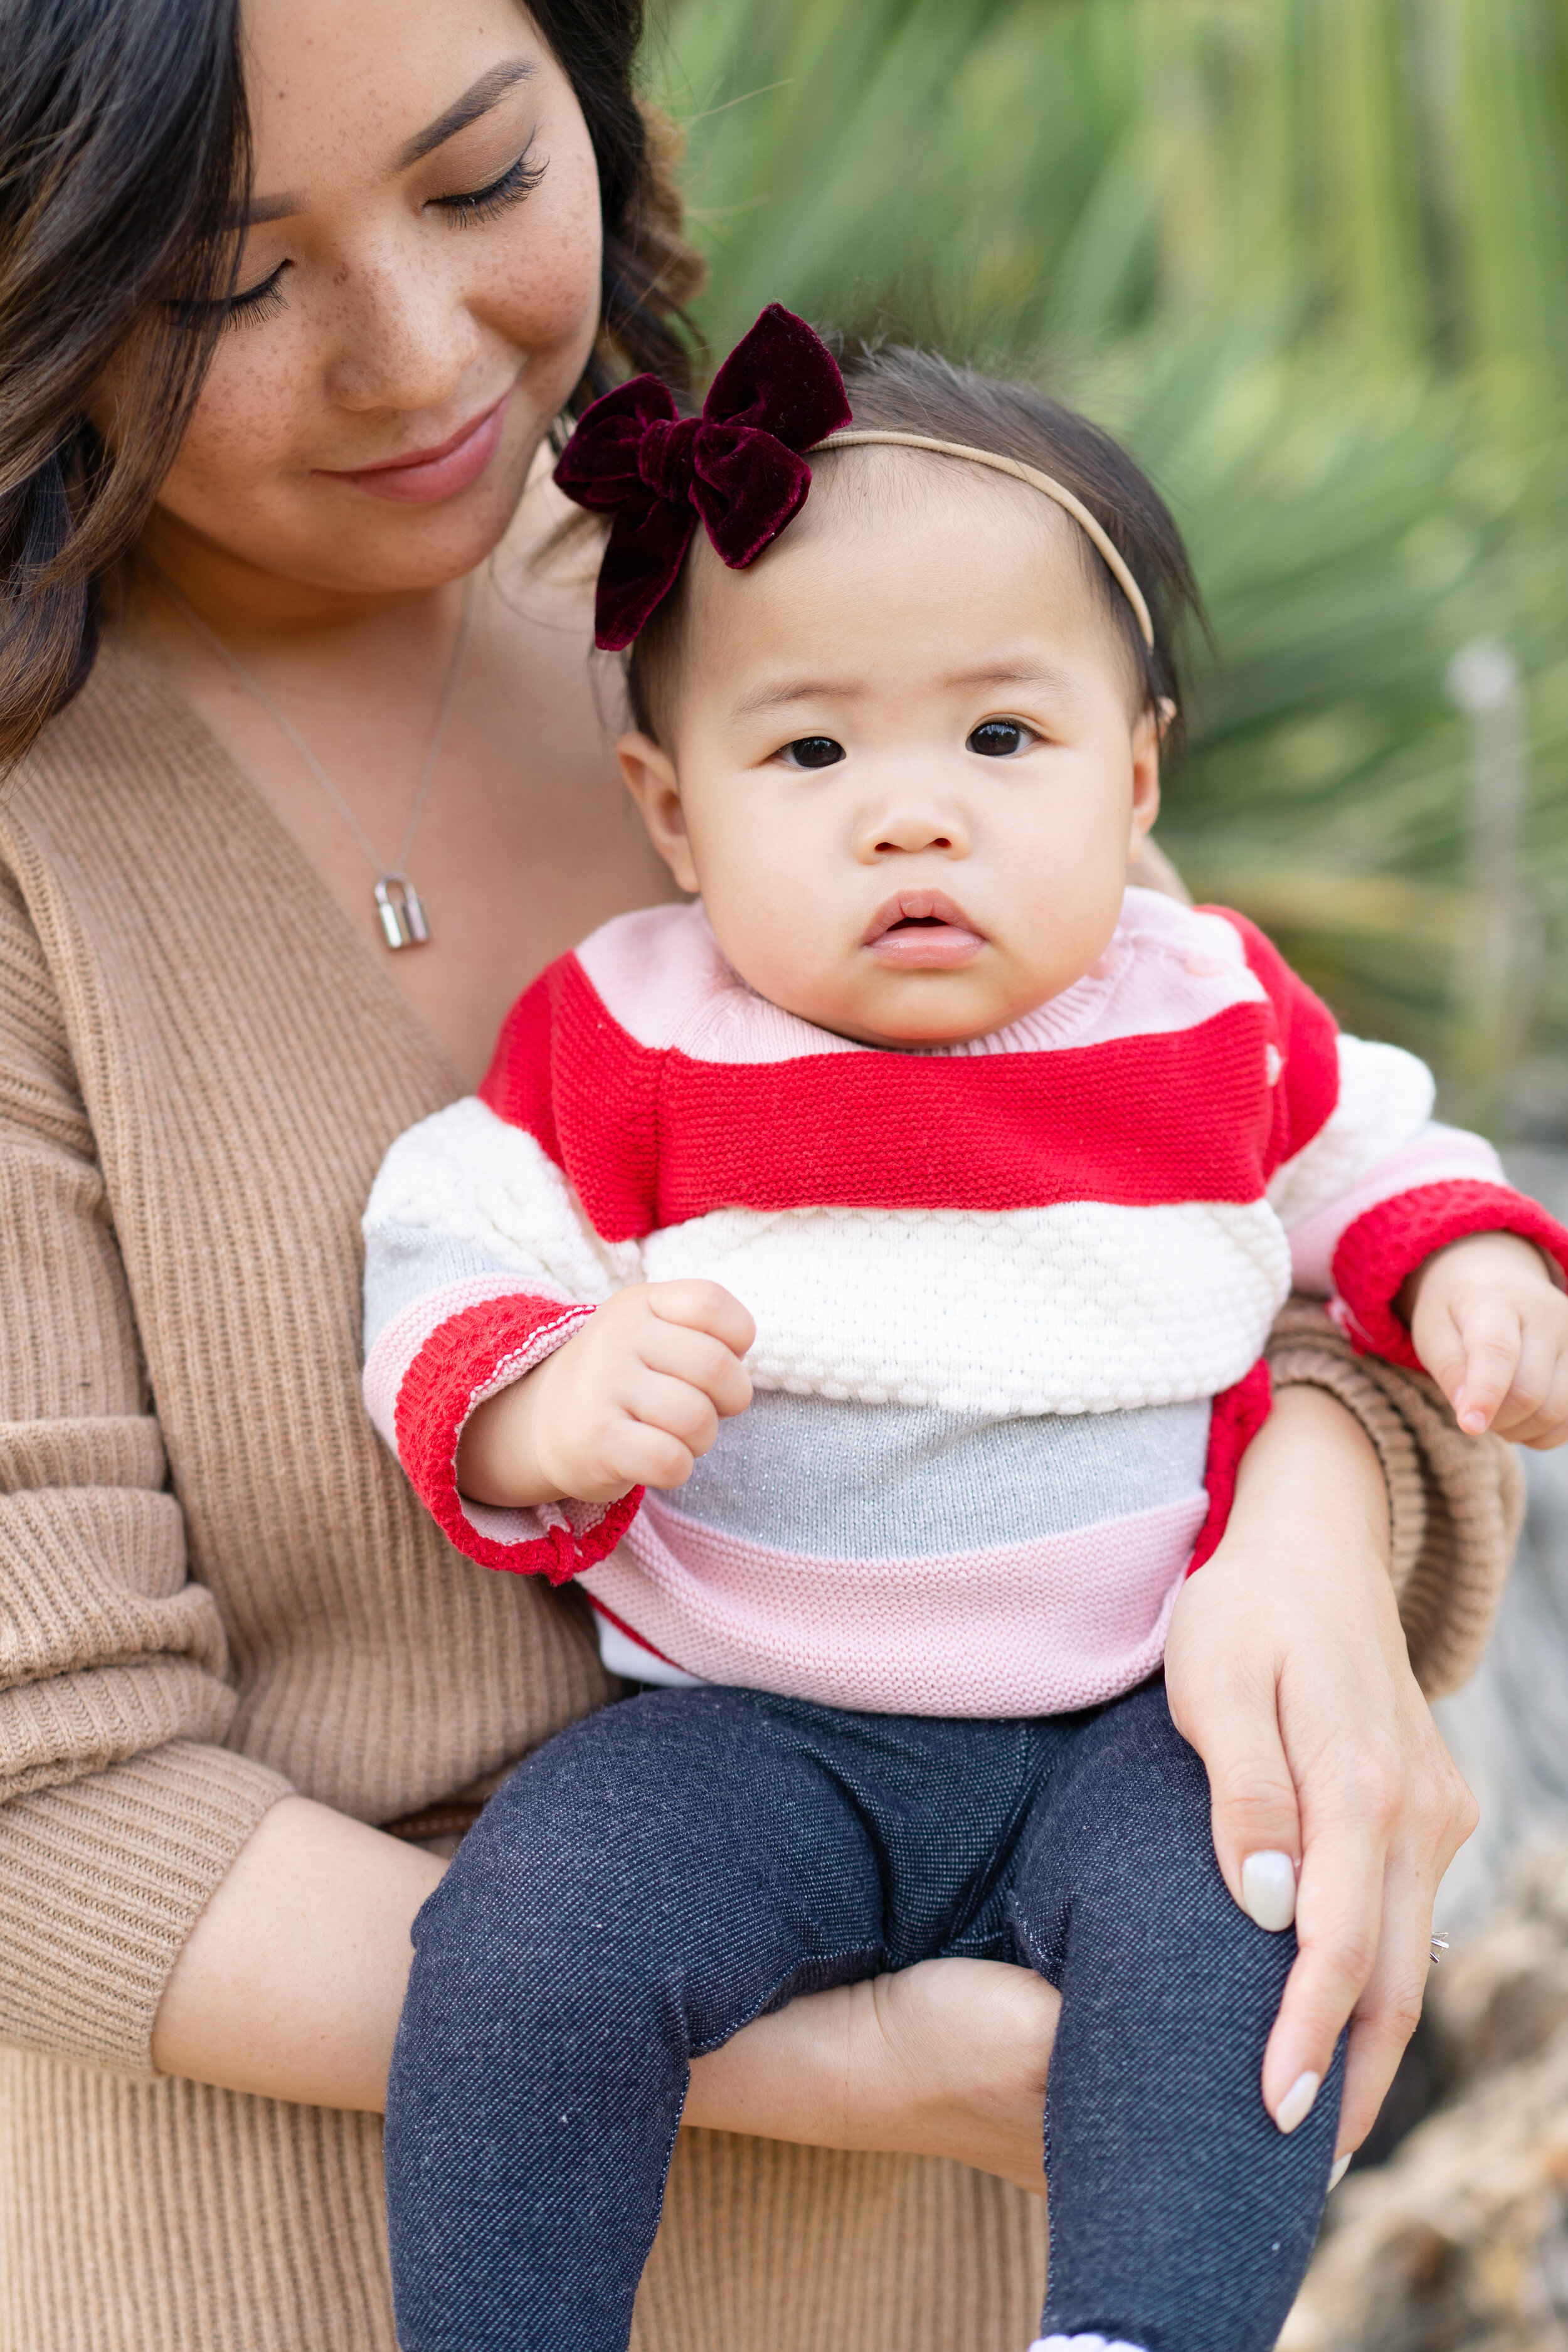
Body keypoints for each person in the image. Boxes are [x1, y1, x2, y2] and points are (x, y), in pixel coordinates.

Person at [0, 3, 1509, 2346]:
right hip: (259, 2280)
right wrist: (868, 2070)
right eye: (223, 283)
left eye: (486, 181)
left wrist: (1313, 1515)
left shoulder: (844, 587)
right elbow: (40, 1813)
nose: (417, 360)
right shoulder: (45, 851)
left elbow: (1229, 1191)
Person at [363, 311, 1568, 2352]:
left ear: (1136, 774)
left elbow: (1368, 1146)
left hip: (1130, 1719)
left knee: (1250, 1929)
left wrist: (1462, 1267)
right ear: (672, 811)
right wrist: (536, 1394)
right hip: (745, 1736)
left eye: (1001, 743)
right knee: (533, 1934)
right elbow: (450, 1230)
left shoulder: (1195, 1000)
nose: (910, 816)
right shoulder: (636, 1026)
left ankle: (1134, 2330)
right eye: (810, 751)